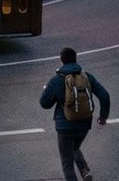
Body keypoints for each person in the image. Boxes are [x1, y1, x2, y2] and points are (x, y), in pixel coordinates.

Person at [39, 46, 111, 181]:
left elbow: (45, 104)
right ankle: (85, 171)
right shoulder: (87, 77)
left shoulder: (56, 80)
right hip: (84, 124)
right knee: (75, 147)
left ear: (61, 60)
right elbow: (104, 96)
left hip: (65, 126)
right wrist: (103, 116)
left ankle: (82, 173)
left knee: (67, 162)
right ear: (75, 59)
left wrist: (47, 91)